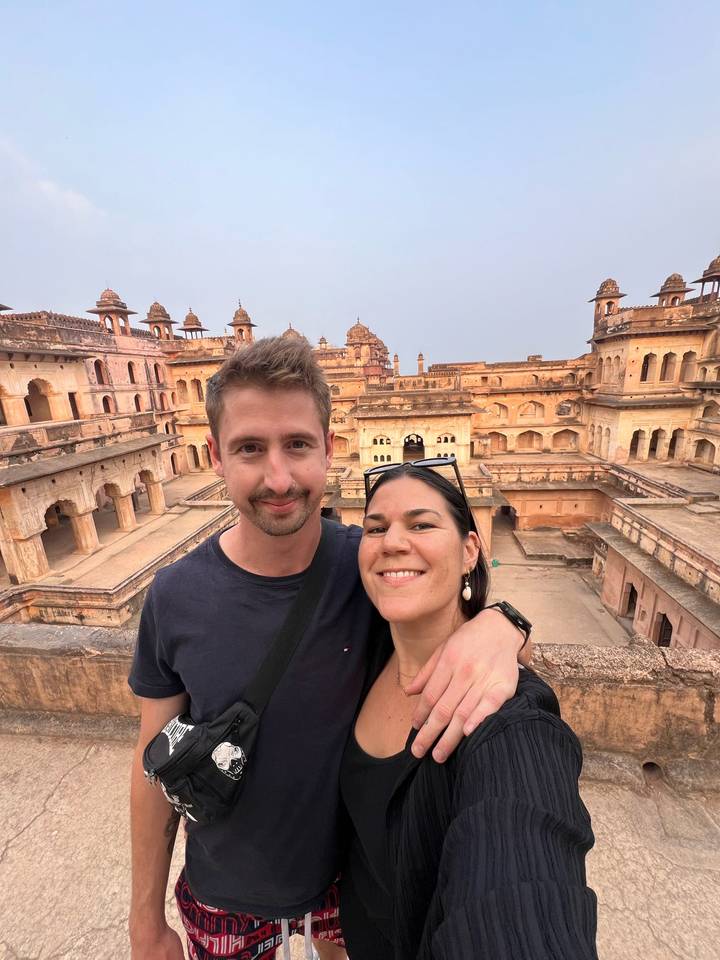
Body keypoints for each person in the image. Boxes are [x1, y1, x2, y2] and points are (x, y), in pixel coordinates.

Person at [128, 337, 533, 960]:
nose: (279, 477)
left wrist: (503, 624)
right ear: (215, 456)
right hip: (223, 891)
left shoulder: (370, 569)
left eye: (297, 445)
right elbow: (153, 768)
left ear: (330, 448)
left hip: (350, 886)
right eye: (249, 449)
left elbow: (460, 619)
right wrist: (144, 919)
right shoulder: (176, 597)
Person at [339, 462, 597, 959]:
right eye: (375, 528)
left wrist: (505, 622)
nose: (392, 541)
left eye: (421, 524)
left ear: (470, 550)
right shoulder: (367, 651)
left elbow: (522, 892)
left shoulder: (509, 725)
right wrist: (507, 620)